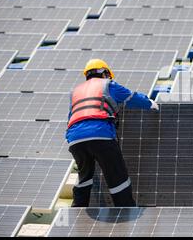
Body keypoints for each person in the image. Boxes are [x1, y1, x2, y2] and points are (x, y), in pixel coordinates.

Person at [66, 59, 159, 207]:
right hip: (100, 134)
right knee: (117, 177)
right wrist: (149, 103)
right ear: (104, 73)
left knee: (85, 177)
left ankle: (77, 209)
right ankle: (125, 210)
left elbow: (71, 116)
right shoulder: (108, 85)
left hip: (75, 139)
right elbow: (131, 97)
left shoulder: (75, 91)